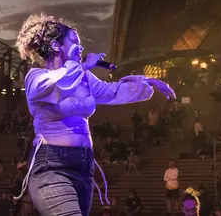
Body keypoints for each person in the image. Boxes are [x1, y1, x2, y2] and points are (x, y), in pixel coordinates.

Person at [13, 14, 176, 216]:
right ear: (56, 46)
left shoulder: (84, 77)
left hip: (84, 167)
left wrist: (148, 81)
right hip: (51, 166)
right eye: (74, 42)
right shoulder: (36, 77)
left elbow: (113, 91)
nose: (80, 48)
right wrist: (82, 66)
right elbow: (56, 84)